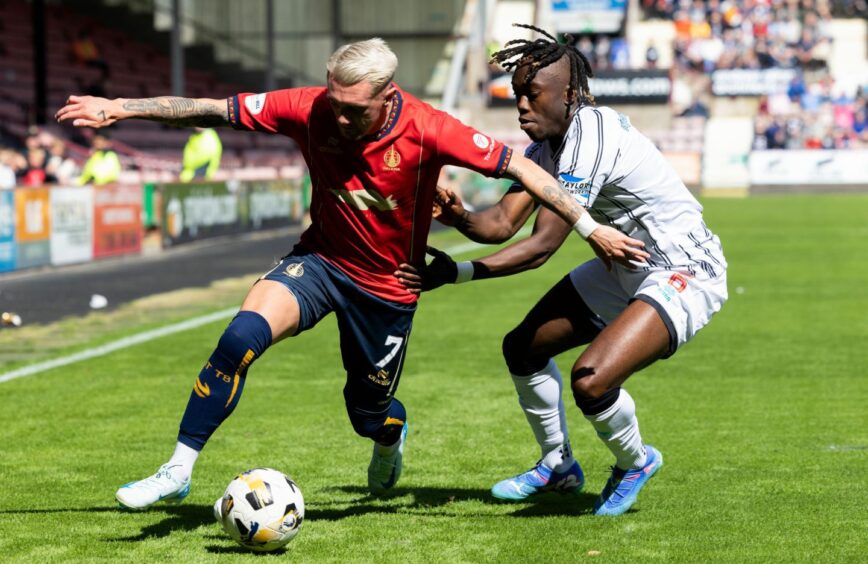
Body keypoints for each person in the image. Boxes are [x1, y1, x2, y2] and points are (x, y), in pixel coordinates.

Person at [56, 37, 647, 511]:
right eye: (333, 102)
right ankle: (178, 470)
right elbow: (215, 110)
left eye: (352, 108)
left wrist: (590, 228)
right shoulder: (309, 105)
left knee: (367, 414)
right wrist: (121, 107)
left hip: (388, 290)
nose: (336, 116)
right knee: (238, 339)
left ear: (387, 96)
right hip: (319, 261)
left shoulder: (427, 127)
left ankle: (390, 436)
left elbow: (522, 167)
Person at [397, 25, 728, 516]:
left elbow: (540, 246)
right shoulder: (545, 150)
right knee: (523, 347)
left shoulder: (591, 132)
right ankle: (558, 465)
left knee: (591, 381)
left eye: (532, 94)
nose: (521, 106)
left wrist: (457, 273)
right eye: (516, 95)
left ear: (570, 93)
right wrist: (461, 216)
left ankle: (635, 462)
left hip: (685, 271)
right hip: (624, 268)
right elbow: (502, 223)